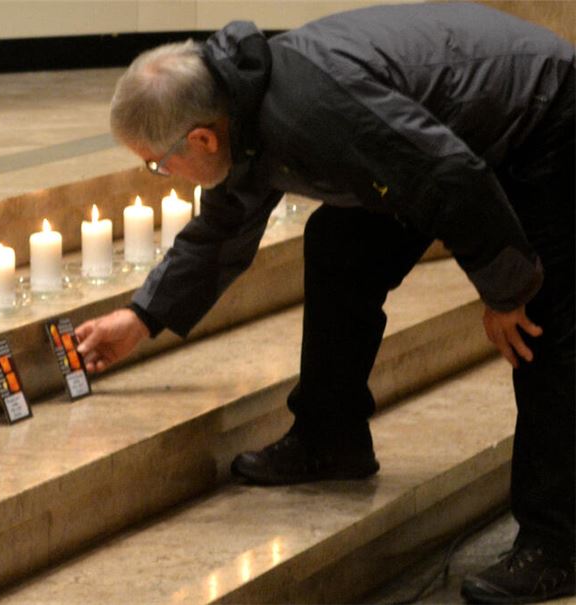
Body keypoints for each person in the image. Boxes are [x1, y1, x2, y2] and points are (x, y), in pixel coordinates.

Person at [74, 3, 574, 603]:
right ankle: (329, 436)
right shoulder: (242, 104)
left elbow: (448, 177)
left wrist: (507, 291)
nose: (164, 173)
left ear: (202, 137)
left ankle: (556, 544)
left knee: (545, 326)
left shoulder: (313, 112)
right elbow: (226, 225)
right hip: (448, 142)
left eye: (158, 164)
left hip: (544, 120)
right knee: (339, 246)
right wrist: (141, 317)